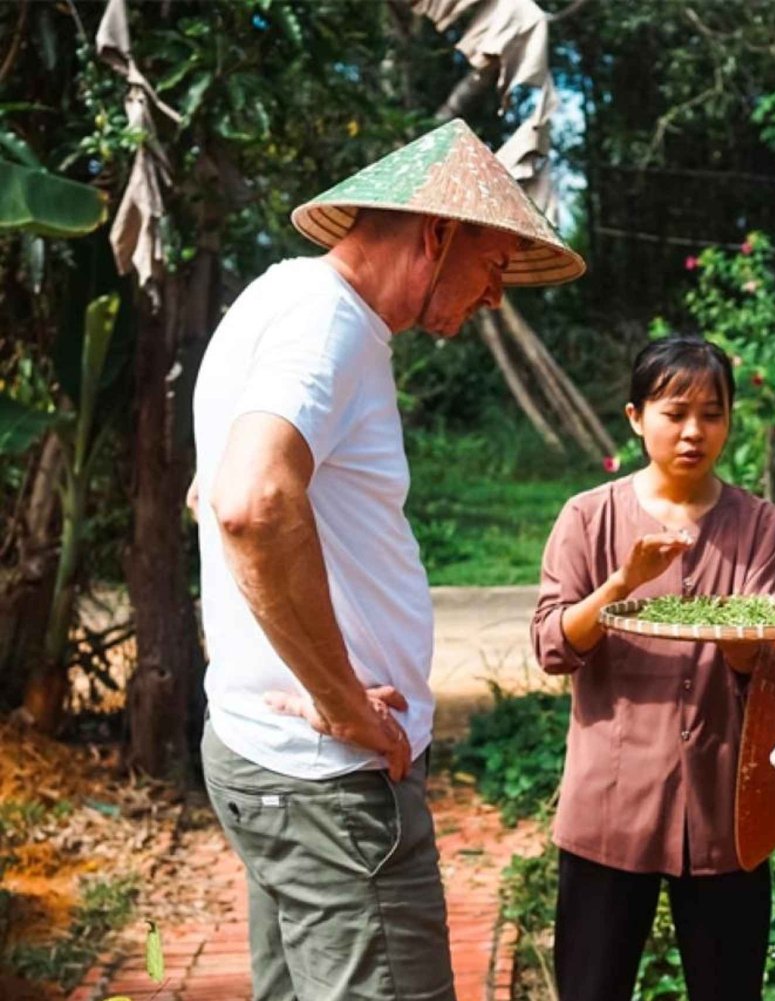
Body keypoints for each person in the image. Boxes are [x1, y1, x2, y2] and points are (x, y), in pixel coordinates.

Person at [191, 119, 584, 1001]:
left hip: (268, 756)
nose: (494, 296)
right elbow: (250, 502)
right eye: (494, 265)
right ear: (437, 233)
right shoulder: (325, 323)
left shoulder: (275, 300)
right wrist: (339, 701)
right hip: (328, 782)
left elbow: (208, 495)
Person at [532, 336, 775, 1001]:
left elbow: (763, 661)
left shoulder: (757, 523)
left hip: (722, 812)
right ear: (635, 416)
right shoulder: (588, 516)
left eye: (713, 412)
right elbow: (553, 645)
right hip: (608, 808)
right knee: (591, 989)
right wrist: (622, 581)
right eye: (674, 412)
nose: (694, 431)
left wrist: (746, 637)